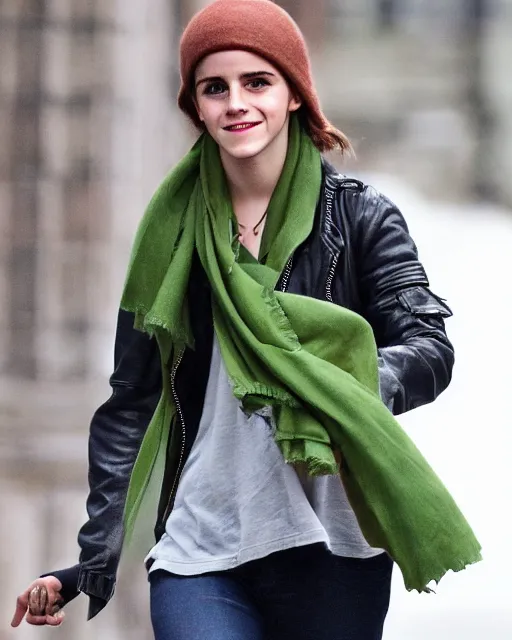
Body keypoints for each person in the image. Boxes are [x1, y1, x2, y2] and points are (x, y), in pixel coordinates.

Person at [11, 1, 481, 639]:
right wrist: (88, 566)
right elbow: (131, 403)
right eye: (215, 87)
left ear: (293, 96)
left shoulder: (361, 216)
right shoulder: (171, 241)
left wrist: (343, 388)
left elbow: (429, 345)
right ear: (197, 107)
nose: (236, 102)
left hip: (334, 547)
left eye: (257, 82)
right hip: (200, 548)